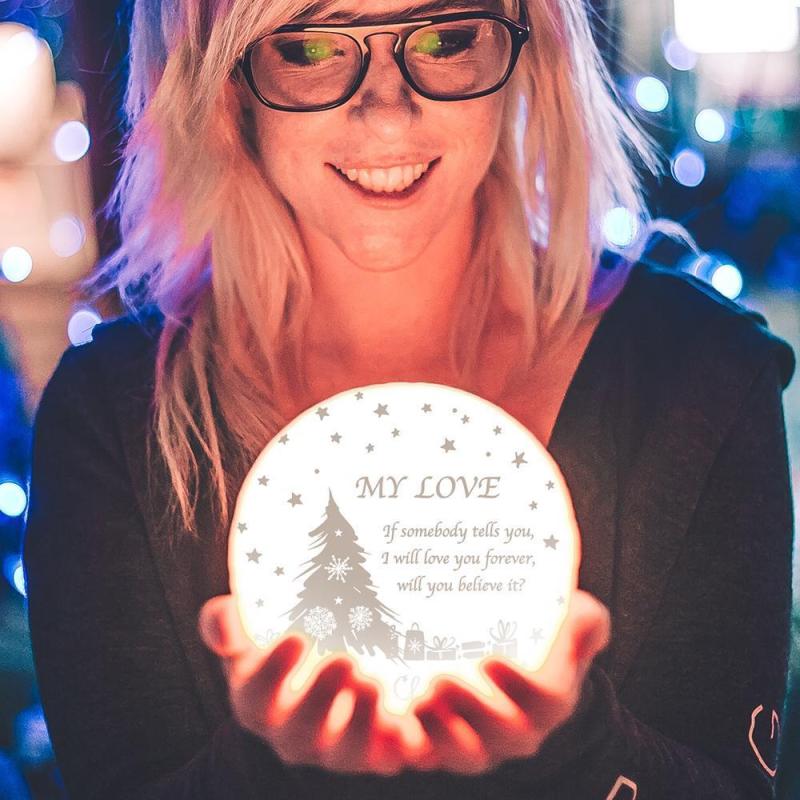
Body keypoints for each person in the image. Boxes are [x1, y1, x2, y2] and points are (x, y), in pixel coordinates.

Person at [21, 0, 796, 797]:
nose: (387, 111)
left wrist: (574, 747)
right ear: (222, 80)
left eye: (445, 38)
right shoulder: (114, 418)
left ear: (530, 51)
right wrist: (270, 766)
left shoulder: (698, 376)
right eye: (311, 47)